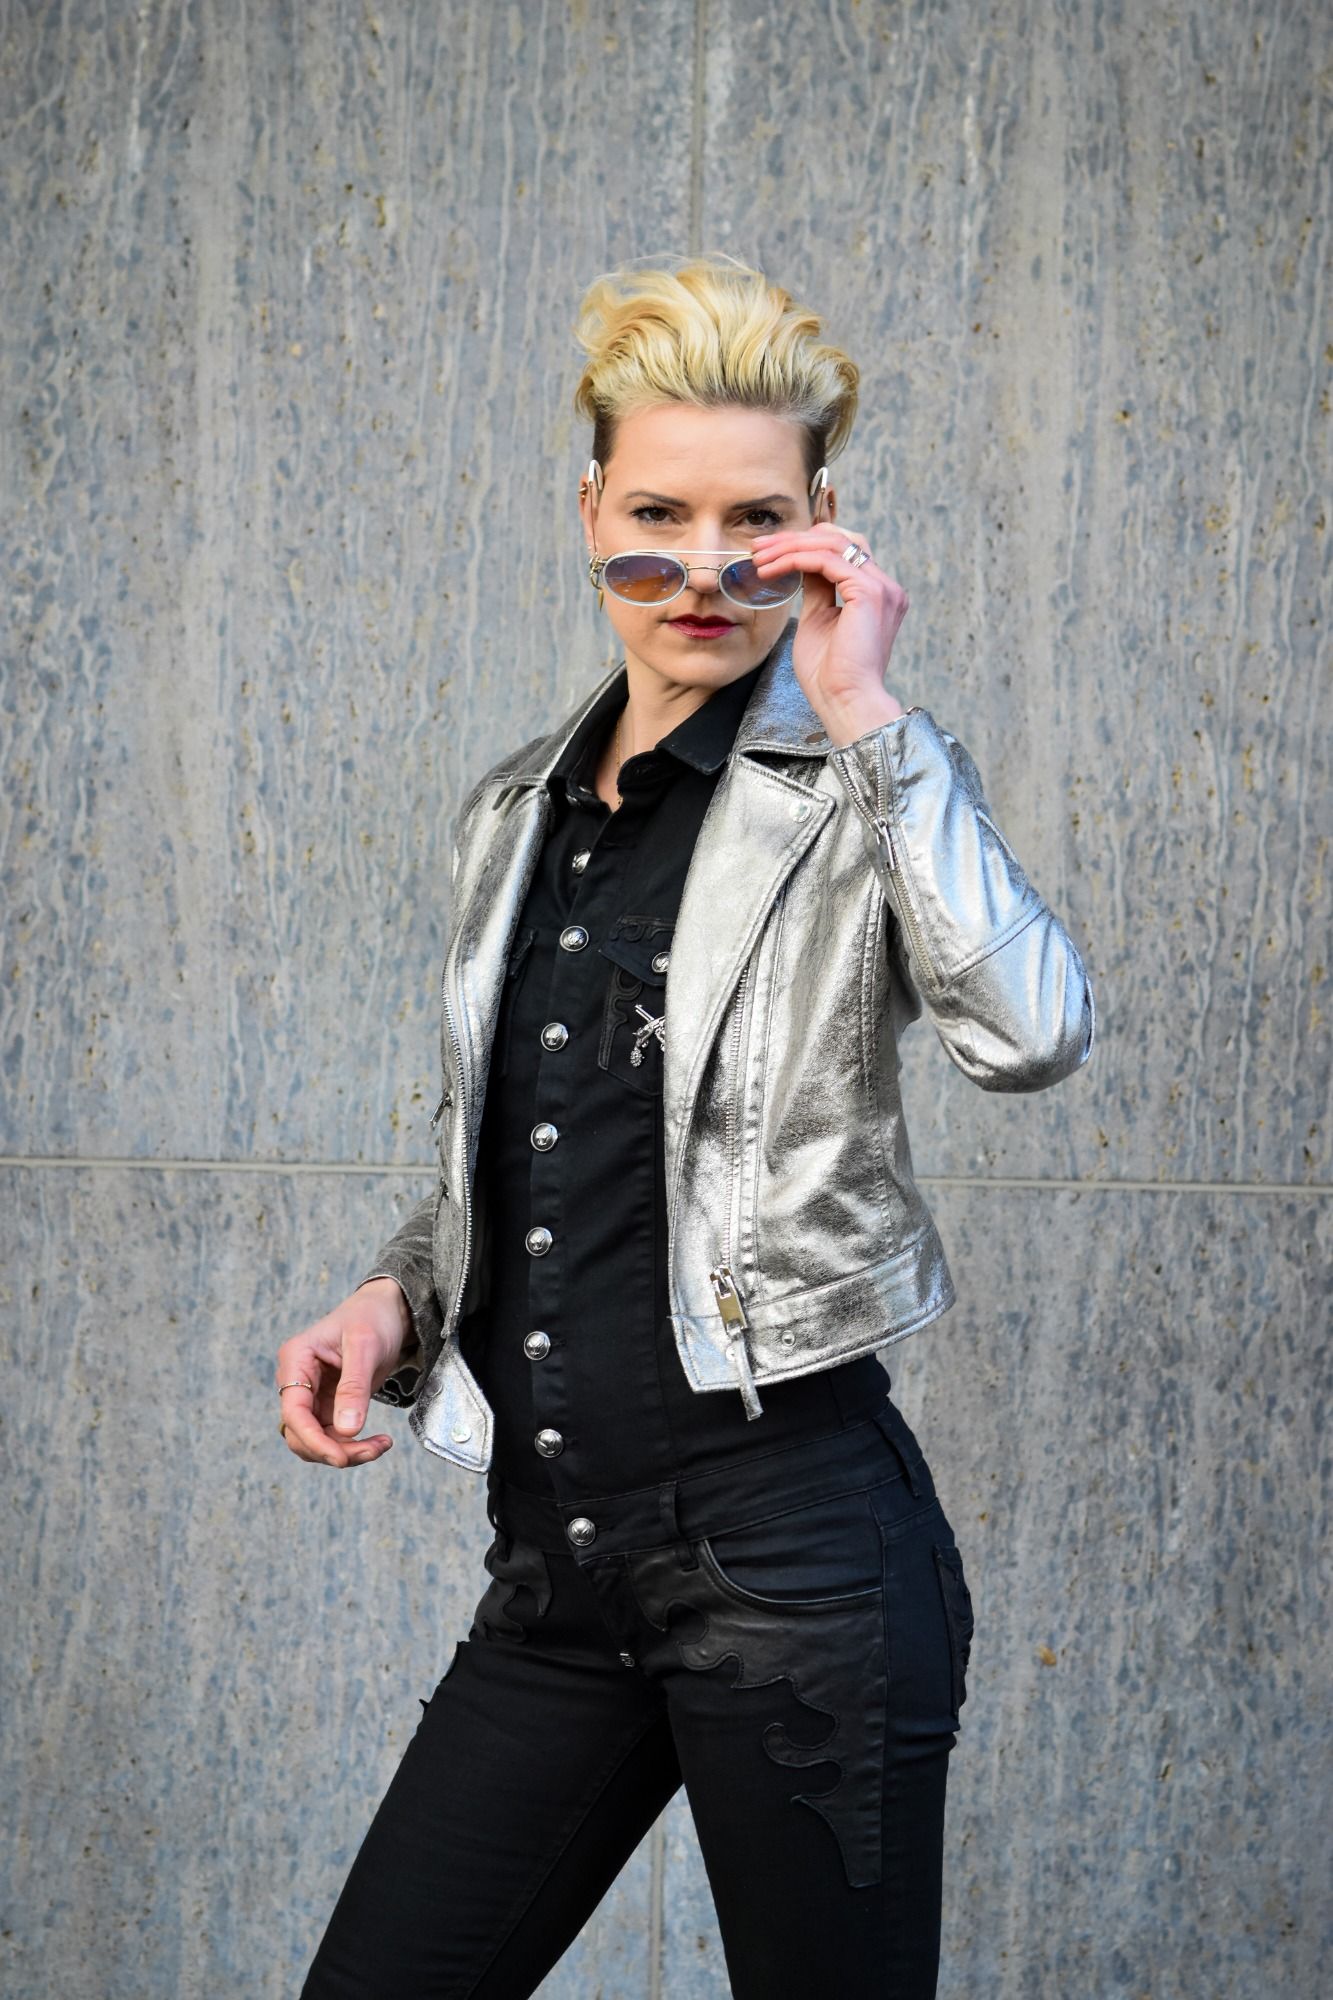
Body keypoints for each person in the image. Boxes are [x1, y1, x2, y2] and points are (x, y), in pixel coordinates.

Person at [278, 252, 1096, 1999]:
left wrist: (867, 712)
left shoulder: (855, 790)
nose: (705, 570)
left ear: (819, 528)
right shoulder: (512, 811)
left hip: (798, 1573)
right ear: (588, 510)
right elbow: (521, 1150)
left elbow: (1030, 1037)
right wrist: (394, 1299)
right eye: (657, 516)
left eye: (755, 521)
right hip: (556, 1572)